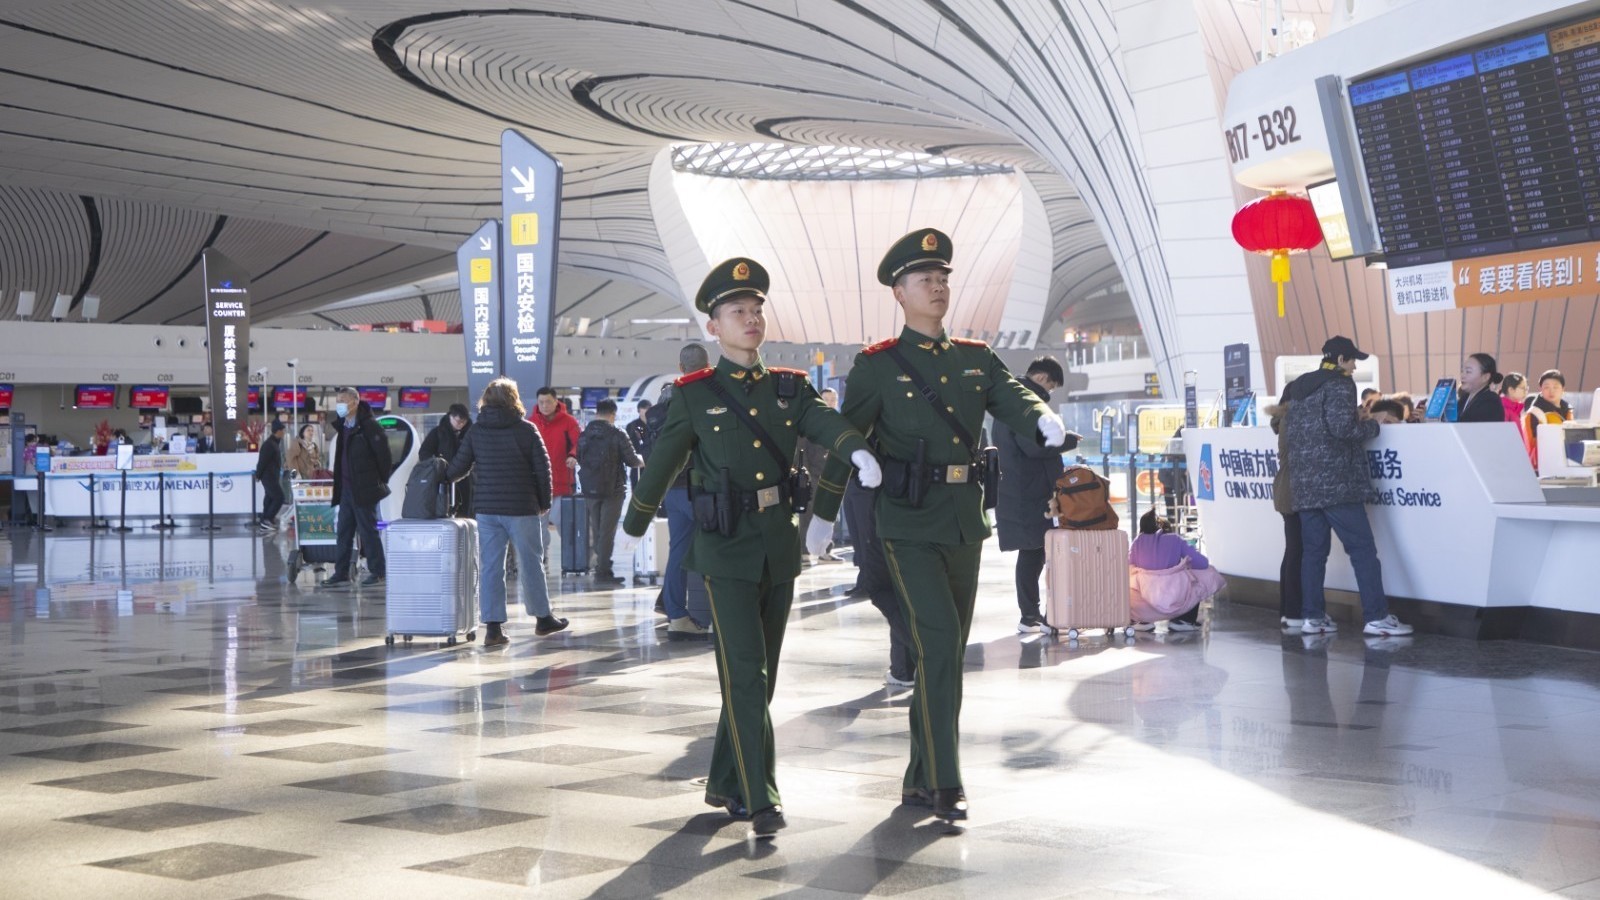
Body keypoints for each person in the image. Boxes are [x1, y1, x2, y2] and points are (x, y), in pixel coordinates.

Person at [809, 229, 1070, 822]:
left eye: (944, 277)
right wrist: (824, 515)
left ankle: (921, 775)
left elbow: (1013, 397)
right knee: (941, 643)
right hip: (905, 521)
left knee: (942, 654)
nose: (938, 286)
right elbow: (843, 438)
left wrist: (1042, 417)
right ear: (898, 293)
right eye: (925, 279)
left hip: (964, 521)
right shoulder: (877, 366)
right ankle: (946, 780)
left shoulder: (975, 358)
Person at [619, 257, 878, 839]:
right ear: (714, 327)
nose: (751, 318)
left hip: (777, 546)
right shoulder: (694, 395)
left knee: (763, 675)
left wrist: (855, 448)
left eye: (756, 309)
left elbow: (822, 423)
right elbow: (663, 460)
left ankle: (725, 781)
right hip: (725, 549)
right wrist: (636, 520)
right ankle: (761, 796)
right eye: (737, 311)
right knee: (746, 674)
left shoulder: (790, 387)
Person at [1284, 337, 1411, 637]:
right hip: (1337, 484)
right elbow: (1341, 429)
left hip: (1305, 485)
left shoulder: (1301, 386)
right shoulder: (1340, 384)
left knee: (1313, 554)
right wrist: (1374, 424)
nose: (1355, 367)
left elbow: (1297, 428)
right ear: (1341, 359)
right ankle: (1376, 616)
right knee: (1362, 550)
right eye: (1353, 360)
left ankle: (1312, 617)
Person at [445, 377, 566, 647]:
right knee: (531, 562)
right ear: (514, 399)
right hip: (522, 507)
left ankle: (493, 628)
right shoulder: (527, 429)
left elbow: (458, 468)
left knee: (491, 567)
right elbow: (543, 469)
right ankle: (543, 618)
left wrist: (440, 474)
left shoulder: (477, 431)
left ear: (486, 401)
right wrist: (544, 501)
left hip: (488, 510)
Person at [995, 356, 1078, 633]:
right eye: (1051, 387)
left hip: (1025, 489)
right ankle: (1029, 616)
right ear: (1041, 378)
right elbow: (1034, 446)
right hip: (1026, 492)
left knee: (1033, 551)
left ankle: (1031, 614)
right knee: (1032, 552)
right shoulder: (1024, 404)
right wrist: (1066, 441)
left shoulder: (1013, 399)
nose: (1050, 393)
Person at [650, 343, 712, 634]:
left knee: (678, 551)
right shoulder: (708, 394)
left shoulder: (665, 398)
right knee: (719, 548)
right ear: (708, 365)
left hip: (672, 488)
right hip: (702, 488)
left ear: (681, 366)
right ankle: (717, 619)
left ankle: (677, 616)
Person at [320, 388, 391, 589]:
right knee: (343, 532)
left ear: (355, 402)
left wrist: (376, 482)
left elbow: (384, 458)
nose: (339, 404)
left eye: (343, 400)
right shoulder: (344, 427)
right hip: (346, 490)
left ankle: (378, 571)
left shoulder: (369, 427)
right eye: (338, 401)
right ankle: (341, 572)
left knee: (368, 531)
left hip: (364, 489)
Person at [577, 398, 643, 585]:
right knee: (607, 532)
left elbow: (580, 458)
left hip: (590, 488)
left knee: (598, 529)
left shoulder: (584, 434)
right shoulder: (617, 433)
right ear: (613, 414)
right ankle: (603, 571)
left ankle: (602, 564)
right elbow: (632, 461)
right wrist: (642, 459)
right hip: (613, 489)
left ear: (597, 412)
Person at [1129, 509, 1223, 631]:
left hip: (1146, 603)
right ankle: (1184, 620)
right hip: (1174, 598)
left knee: (1131, 581)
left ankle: (1142, 621)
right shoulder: (1175, 539)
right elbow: (1202, 563)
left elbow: (1126, 565)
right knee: (1204, 575)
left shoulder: (1137, 543)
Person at [1264, 397, 1303, 629]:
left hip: (1286, 489)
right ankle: (1294, 610)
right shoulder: (1293, 420)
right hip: (1294, 491)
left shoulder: (1283, 420)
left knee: (1293, 551)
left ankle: (1288, 610)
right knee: (1298, 551)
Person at [530, 386, 582, 558]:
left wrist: (573, 455)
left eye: (548, 402)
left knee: (564, 523)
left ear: (556, 401)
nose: (545, 405)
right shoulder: (531, 423)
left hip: (562, 483)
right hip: (537, 484)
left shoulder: (569, 422)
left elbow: (579, 443)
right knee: (538, 525)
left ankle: (573, 557)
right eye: (541, 402)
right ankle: (541, 558)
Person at [421, 403, 473, 516]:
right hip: (443, 478)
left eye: (463, 422)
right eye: (458, 421)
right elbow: (424, 452)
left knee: (465, 510)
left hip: (465, 478)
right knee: (443, 508)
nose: (460, 425)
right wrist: (436, 465)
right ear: (450, 416)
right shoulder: (438, 433)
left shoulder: (470, 433)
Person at [1525, 369, 1574, 469]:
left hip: (1567, 462)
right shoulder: (1535, 412)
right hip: (1544, 466)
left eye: (1555, 387)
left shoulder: (1568, 410)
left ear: (1563, 389)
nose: (1551, 391)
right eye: (1546, 387)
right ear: (1541, 389)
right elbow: (1532, 444)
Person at [255, 419, 287, 534]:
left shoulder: (274, 443)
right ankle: (267, 519)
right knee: (279, 497)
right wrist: (258, 475)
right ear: (277, 431)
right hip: (268, 477)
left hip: (272, 476)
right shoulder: (269, 444)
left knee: (269, 497)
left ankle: (265, 521)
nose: (284, 433)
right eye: (283, 430)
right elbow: (262, 461)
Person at [1457, 353, 1506, 423]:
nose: (1462, 375)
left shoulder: (1491, 402)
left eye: (1468, 372)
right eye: (1462, 371)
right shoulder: (1464, 398)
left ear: (1485, 377)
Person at [626, 399, 651, 490]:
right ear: (639, 410)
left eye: (649, 408)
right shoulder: (632, 426)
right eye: (644, 408)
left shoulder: (655, 424)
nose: (646, 411)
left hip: (652, 463)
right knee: (637, 490)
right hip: (638, 464)